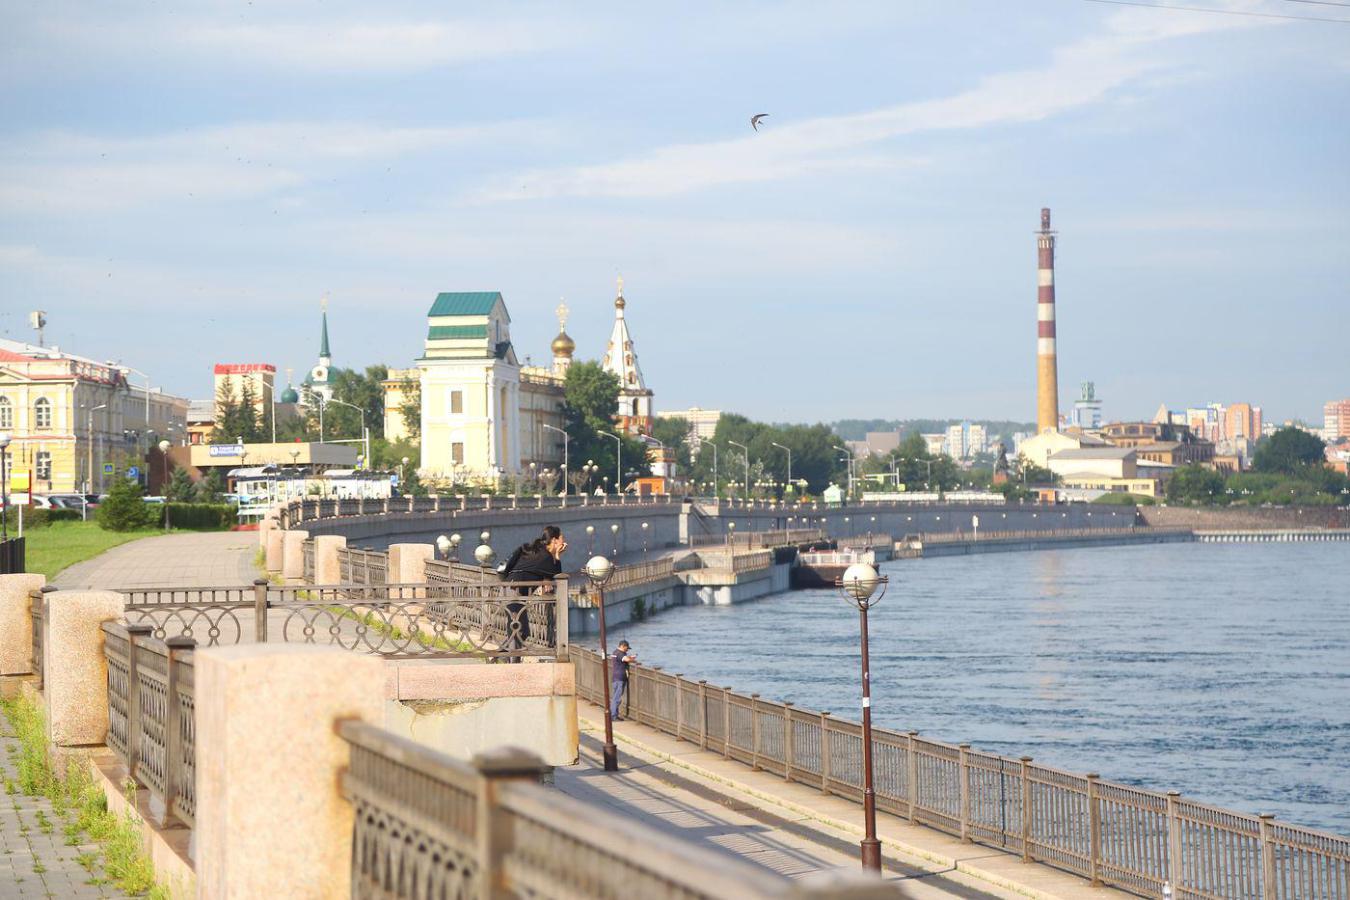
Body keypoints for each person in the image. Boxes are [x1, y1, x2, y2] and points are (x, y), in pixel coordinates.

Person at [500, 526, 567, 661]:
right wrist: (557, 555)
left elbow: (538, 569)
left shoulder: (535, 550)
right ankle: (509, 662)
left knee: (520, 630)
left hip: (510, 588)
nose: (564, 541)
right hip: (515, 591)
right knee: (519, 630)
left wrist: (545, 578)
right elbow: (558, 575)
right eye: (562, 538)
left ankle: (502, 656)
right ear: (554, 540)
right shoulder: (545, 557)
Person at [610, 640, 636, 720]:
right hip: (620, 678)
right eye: (626, 648)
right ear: (622, 646)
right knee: (617, 698)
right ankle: (613, 716)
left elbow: (623, 659)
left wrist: (629, 657)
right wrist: (633, 659)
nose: (627, 650)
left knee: (615, 696)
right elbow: (626, 660)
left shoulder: (615, 652)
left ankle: (615, 715)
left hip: (615, 677)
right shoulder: (620, 653)